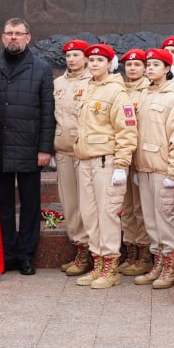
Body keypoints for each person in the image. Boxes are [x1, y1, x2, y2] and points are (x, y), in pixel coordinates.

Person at [0, 20, 56, 276]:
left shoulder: (41, 68)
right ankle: (7, 253)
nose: (13, 38)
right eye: (9, 34)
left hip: (30, 148)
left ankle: (26, 255)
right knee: (3, 205)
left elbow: (48, 112)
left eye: (18, 34)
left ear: (28, 38)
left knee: (30, 205)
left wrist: (45, 149)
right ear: (2, 37)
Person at [72, 44, 136, 289]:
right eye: (92, 59)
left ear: (110, 63)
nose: (95, 63)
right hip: (85, 160)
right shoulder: (86, 88)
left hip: (106, 161)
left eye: (100, 60)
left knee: (107, 214)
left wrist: (121, 165)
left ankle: (110, 266)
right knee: (89, 214)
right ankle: (97, 262)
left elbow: (127, 130)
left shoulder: (117, 93)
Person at [132, 48, 174, 290]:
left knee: (165, 218)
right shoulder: (142, 95)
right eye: (149, 64)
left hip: (163, 170)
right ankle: (158, 260)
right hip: (144, 167)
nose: (151, 68)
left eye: (157, 64)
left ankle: (170, 264)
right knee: (150, 218)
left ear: (168, 69)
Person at [53, 39, 92, 276]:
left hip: (85, 150)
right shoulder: (58, 83)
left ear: (85, 58)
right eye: (68, 55)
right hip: (63, 149)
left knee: (88, 203)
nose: (71, 59)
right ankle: (80, 248)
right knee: (70, 203)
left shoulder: (93, 82)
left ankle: (93, 250)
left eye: (76, 55)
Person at [117, 49, 152, 278]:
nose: (132, 68)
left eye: (137, 65)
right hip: (122, 155)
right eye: (128, 65)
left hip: (141, 156)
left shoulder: (149, 91)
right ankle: (130, 249)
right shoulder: (119, 90)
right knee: (126, 206)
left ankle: (144, 252)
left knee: (141, 208)